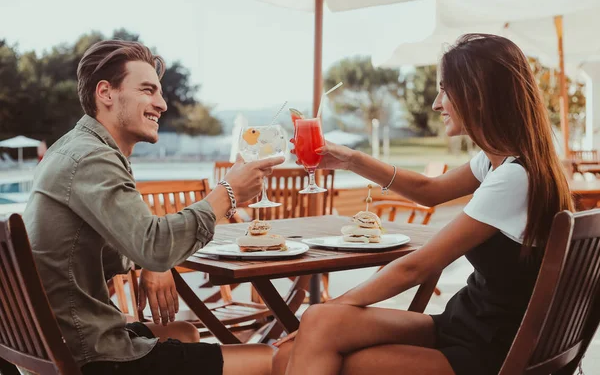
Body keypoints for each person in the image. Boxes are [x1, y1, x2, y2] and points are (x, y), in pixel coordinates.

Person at [273, 34, 574, 375]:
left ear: (477, 95)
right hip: (465, 325)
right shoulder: (501, 162)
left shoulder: (515, 178)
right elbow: (428, 190)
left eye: (445, 90)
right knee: (301, 342)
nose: (436, 103)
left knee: (319, 334)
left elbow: (414, 268)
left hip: (487, 353)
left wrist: (334, 307)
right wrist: (353, 161)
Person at [23, 40, 283, 375]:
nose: (160, 104)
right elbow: (155, 246)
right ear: (106, 93)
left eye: (159, 93)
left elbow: (131, 245)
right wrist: (228, 193)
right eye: (148, 90)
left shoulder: (72, 148)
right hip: (89, 356)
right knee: (272, 358)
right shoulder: (91, 158)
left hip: (53, 345)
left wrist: (151, 260)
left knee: (185, 333)